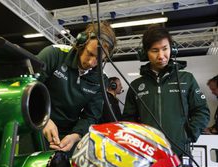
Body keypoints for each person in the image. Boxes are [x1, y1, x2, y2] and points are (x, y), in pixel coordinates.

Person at [123, 25, 210, 158]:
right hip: (146, 155)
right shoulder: (136, 85)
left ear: (172, 49)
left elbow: (201, 111)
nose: (161, 56)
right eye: (155, 50)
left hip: (180, 154)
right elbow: (129, 120)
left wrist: (188, 135)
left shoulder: (187, 79)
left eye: (165, 49)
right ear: (145, 53)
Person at [37, 21, 116, 156]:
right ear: (81, 43)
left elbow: (91, 116)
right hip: (36, 126)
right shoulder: (53, 55)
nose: (91, 62)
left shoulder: (100, 80)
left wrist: (76, 135)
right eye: (90, 54)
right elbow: (27, 89)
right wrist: (43, 119)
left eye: (98, 59)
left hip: (67, 137)